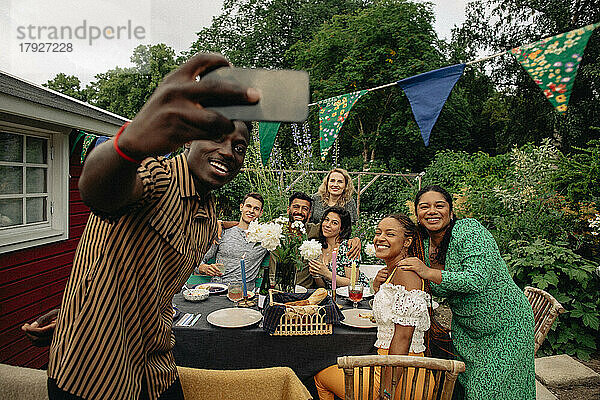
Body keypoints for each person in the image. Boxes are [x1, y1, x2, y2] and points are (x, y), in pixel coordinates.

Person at [40, 53, 260, 400]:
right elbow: (97, 191)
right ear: (190, 138)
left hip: (156, 365)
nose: (228, 151)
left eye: (239, 146)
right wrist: (129, 145)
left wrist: (76, 303)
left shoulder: (208, 216)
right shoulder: (156, 174)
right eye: (217, 137)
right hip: (93, 369)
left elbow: (143, 278)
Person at [396, 185, 536, 400]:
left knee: (492, 391)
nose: (432, 211)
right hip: (468, 330)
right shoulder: (424, 242)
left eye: (439, 205)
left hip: (505, 325)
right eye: (424, 207)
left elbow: (476, 279)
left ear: (451, 212)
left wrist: (428, 272)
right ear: (418, 214)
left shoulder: (468, 230)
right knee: (468, 387)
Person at [314, 213, 434, 400]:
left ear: (407, 242)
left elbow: (403, 337)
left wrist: (387, 391)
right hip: (389, 362)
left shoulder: (406, 272)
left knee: (321, 377)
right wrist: (378, 288)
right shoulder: (394, 271)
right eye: (378, 232)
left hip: (400, 374)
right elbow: (392, 314)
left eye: (390, 234)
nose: (380, 238)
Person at [271, 192, 362, 289]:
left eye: (305, 209)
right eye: (296, 207)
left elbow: (335, 230)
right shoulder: (274, 229)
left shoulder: (314, 231)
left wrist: (356, 240)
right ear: (288, 210)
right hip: (277, 287)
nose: (300, 211)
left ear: (309, 214)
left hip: (305, 291)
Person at [196, 192, 268, 290]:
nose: (251, 211)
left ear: (261, 213)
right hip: (219, 289)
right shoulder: (222, 233)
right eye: (248, 206)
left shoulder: (266, 238)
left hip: (245, 295)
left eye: (256, 209)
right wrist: (203, 268)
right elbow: (198, 260)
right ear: (241, 207)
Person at [308, 207, 369, 289]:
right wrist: (317, 275)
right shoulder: (318, 248)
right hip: (333, 295)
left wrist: (327, 273)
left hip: (357, 294)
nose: (327, 225)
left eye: (334, 223)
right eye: (326, 220)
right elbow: (323, 286)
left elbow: (353, 282)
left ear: (342, 229)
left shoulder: (348, 247)